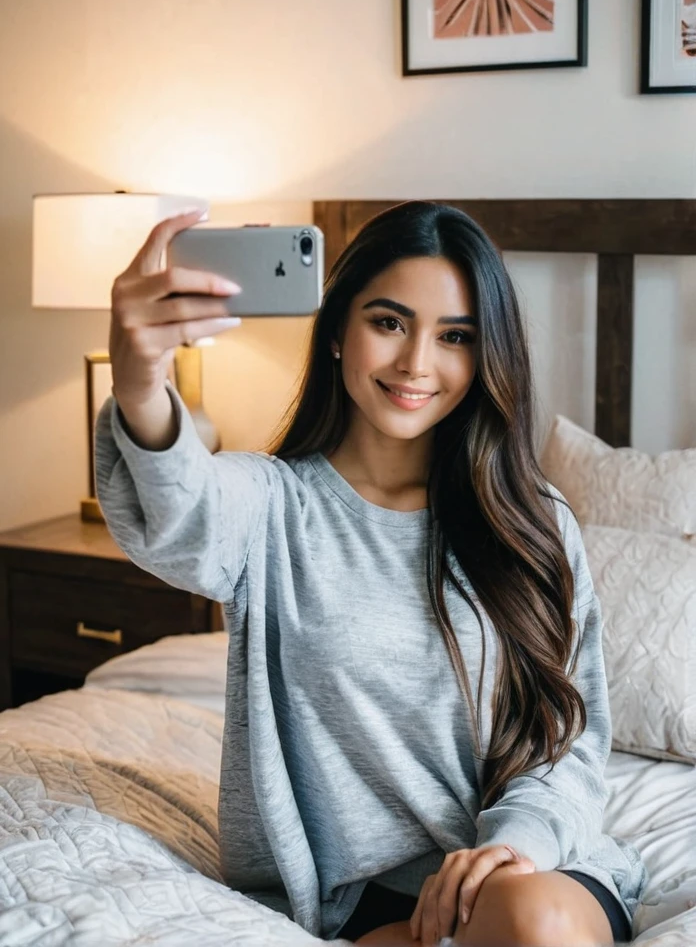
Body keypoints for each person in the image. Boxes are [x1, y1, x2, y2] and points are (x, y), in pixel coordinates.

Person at [95, 201, 648, 947]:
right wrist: (140, 386)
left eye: (455, 337)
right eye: (388, 323)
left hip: (532, 866)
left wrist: (512, 851)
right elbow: (182, 511)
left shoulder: (532, 520)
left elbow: (567, 737)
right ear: (335, 333)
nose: (417, 363)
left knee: (530, 920)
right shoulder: (270, 507)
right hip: (363, 899)